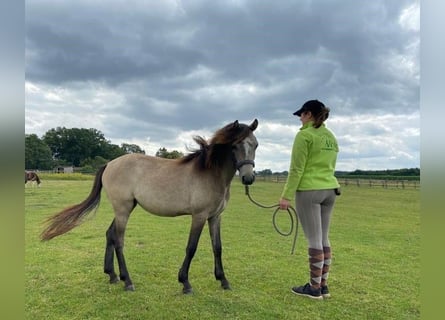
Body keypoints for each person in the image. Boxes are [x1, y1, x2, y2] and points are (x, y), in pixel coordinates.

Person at [279, 99, 340, 300]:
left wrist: (286, 196)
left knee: (314, 239)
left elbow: (296, 169)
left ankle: (314, 289)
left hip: (310, 191)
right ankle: (323, 286)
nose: (300, 119)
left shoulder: (304, 136)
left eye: (302, 115)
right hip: (330, 189)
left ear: (309, 114)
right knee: (324, 238)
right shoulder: (330, 137)